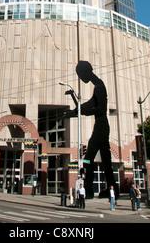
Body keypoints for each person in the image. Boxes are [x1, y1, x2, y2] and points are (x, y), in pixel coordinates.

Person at [62, 61, 119, 199]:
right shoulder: (98, 85)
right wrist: (76, 110)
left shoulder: (99, 86)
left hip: (101, 126)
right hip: (102, 126)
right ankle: (113, 190)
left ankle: (88, 190)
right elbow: (87, 105)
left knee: (88, 159)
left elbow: (100, 109)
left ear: (87, 72)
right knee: (105, 161)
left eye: (81, 75)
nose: (82, 78)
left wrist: (81, 111)